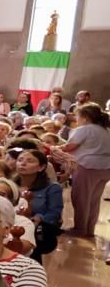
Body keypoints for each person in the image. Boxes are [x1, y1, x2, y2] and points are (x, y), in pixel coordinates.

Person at [55, 102, 110, 239]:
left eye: (77, 116)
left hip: (88, 166)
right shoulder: (105, 130)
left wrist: (53, 147)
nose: (76, 119)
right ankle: (89, 229)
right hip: (106, 167)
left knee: (81, 198)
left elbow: (70, 147)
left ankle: (79, 229)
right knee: (94, 199)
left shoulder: (85, 129)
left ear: (85, 117)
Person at [12, 146, 63, 255]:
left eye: (30, 161)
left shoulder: (52, 188)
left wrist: (40, 218)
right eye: (20, 160)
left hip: (35, 228)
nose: (23, 163)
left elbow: (54, 213)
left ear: (41, 167)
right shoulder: (9, 185)